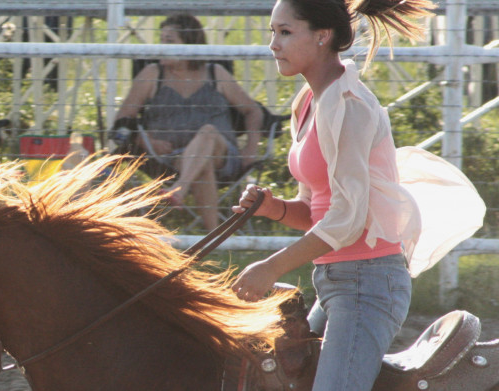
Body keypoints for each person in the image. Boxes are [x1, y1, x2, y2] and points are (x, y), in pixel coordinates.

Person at [229, 1, 435, 390]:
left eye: (285, 32)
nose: (273, 44)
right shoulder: (308, 103)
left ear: (322, 36)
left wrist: (271, 268)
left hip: (367, 284)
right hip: (337, 281)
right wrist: (274, 208)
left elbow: (348, 218)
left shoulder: (349, 106)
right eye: (273, 32)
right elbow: (315, 212)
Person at [112, 13, 265, 231]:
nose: (161, 47)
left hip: (224, 157)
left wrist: (251, 148)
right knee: (202, 166)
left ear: (190, 44)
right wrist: (147, 143)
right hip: (169, 160)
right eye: (161, 40)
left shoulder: (215, 73)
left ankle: (179, 190)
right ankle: (214, 238)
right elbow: (121, 125)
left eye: (169, 41)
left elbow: (253, 111)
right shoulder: (152, 74)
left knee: (208, 133)